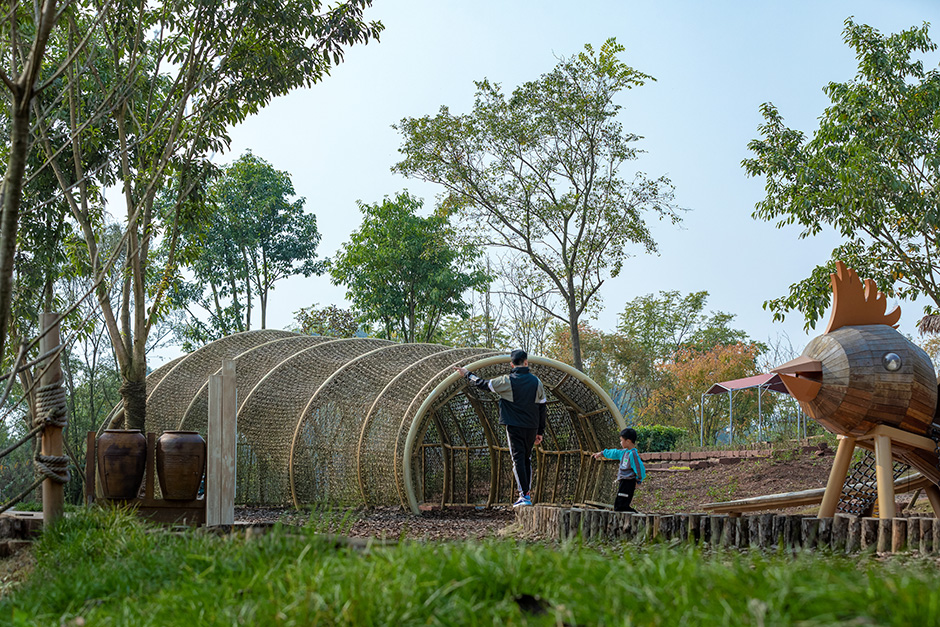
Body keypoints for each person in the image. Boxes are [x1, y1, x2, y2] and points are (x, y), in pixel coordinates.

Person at [455, 349, 547, 507]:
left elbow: (483, 384)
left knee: (517, 459)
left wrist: (467, 374)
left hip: (514, 426)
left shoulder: (507, 380)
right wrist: (540, 431)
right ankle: (526, 494)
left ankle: (524, 496)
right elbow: (542, 406)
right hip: (532, 426)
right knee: (526, 459)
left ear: (511, 364)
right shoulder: (536, 382)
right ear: (526, 362)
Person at [592, 428, 646, 513]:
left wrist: (638, 480)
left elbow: (640, 469)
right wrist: (601, 453)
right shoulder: (624, 452)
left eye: (621, 440)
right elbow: (614, 452)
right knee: (619, 505)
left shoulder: (633, 454)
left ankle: (638, 516)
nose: (620, 443)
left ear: (628, 441)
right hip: (623, 481)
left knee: (620, 506)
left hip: (629, 482)